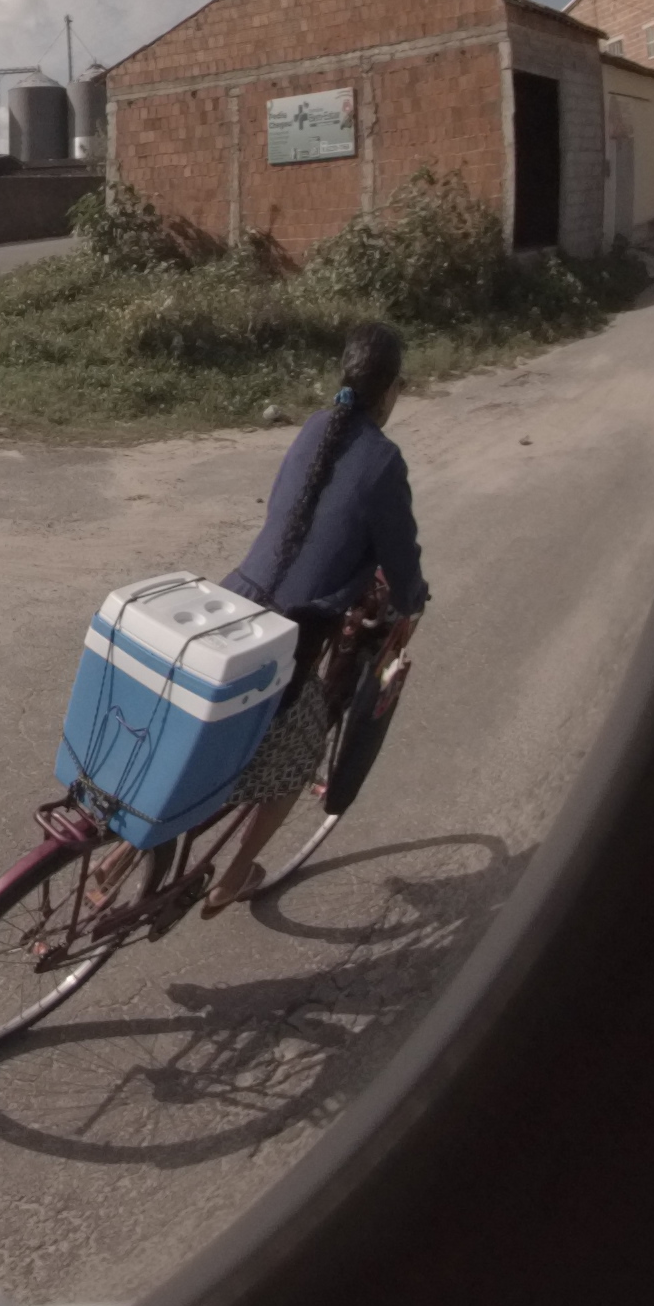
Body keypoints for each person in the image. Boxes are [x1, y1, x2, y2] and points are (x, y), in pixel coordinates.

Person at [199, 317, 429, 914]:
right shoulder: (383, 461)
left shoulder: (314, 427)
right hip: (287, 641)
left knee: (205, 742)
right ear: (391, 390)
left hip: (231, 607)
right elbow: (402, 566)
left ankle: (120, 859)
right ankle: (234, 877)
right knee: (301, 755)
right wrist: (412, 600)